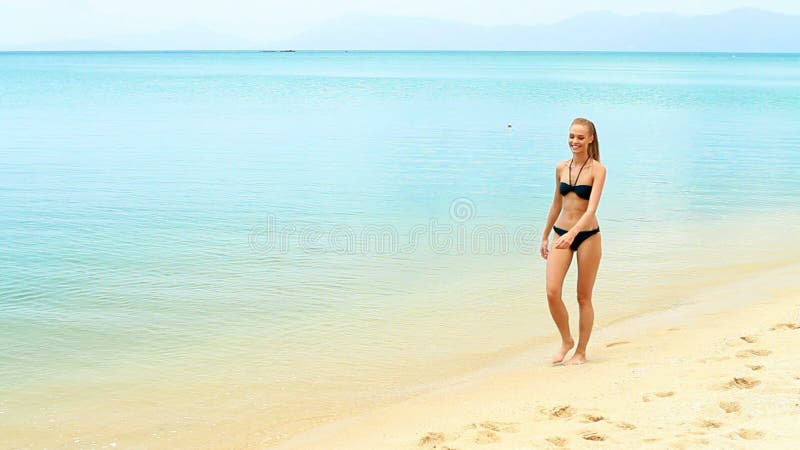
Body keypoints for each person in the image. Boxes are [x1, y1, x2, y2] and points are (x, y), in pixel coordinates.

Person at [540, 118, 606, 365]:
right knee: (552, 291)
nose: (574, 142)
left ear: (590, 139)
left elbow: (590, 210)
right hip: (561, 233)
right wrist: (546, 235)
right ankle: (566, 340)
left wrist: (573, 234)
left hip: (587, 235)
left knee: (583, 297)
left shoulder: (598, 170)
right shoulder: (561, 167)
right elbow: (557, 203)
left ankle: (581, 351)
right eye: (571, 136)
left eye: (580, 137)